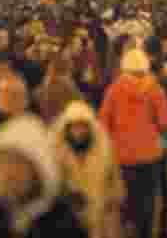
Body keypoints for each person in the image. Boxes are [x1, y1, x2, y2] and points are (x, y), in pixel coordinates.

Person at [0, 114, 88, 238]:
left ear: (39, 170)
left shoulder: (61, 224)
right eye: (1, 163)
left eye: (17, 163)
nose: (7, 175)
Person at [100, 49, 167, 238]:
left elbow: (103, 123)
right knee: (147, 204)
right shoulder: (156, 90)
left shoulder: (114, 90)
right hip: (150, 156)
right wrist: (164, 147)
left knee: (126, 202)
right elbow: (165, 123)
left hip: (122, 156)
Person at [49, 101, 125, 238]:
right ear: (67, 129)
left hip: (99, 215)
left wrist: (114, 203)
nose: (78, 132)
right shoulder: (56, 153)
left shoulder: (104, 149)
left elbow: (114, 178)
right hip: (68, 217)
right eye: (74, 127)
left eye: (82, 127)